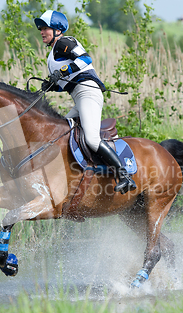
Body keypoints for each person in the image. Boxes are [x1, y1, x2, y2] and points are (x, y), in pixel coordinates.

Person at [34, 10, 136, 194]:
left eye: (45, 28)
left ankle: (124, 175)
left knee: (91, 138)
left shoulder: (64, 42)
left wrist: (63, 71)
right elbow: (65, 84)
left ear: (57, 29)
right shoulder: (52, 55)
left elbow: (85, 59)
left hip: (88, 92)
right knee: (59, 134)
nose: (42, 31)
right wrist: (51, 86)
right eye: (40, 28)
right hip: (78, 95)